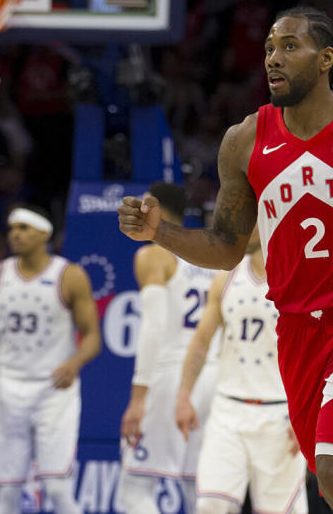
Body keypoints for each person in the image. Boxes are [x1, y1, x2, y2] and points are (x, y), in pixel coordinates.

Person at [119, 6, 333, 513]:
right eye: (268, 48)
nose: (273, 58)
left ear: (326, 58)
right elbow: (225, 248)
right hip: (297, 332)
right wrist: (160, 233)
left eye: (289, 46)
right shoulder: (244, 141)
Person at [0, 204, 101, 514]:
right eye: (12, 228)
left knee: (57, 488)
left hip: (53, 392)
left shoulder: (69, 275)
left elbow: (93, 336)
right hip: (8, 389)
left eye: (23, 228)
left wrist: (74, 362)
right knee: (6, 491)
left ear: (44, 233)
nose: (15, 234)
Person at [175, 227, 308, 514]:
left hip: (281, 414)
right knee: (211, 504)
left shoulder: (299, 278)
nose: (241, 227)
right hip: (228, 411)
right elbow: (201, 342)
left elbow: (313, 354)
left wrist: (308, 414)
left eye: (249, 220)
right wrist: (184, 394)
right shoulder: (226, 277)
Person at [119, 183, 218, 514]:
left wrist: (137, 398)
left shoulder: (153, 255)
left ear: (153, 206)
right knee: (199, 489)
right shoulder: (212, 257)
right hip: (212, 377)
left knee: (134, 489)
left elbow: (154, 327)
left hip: (169, 377)